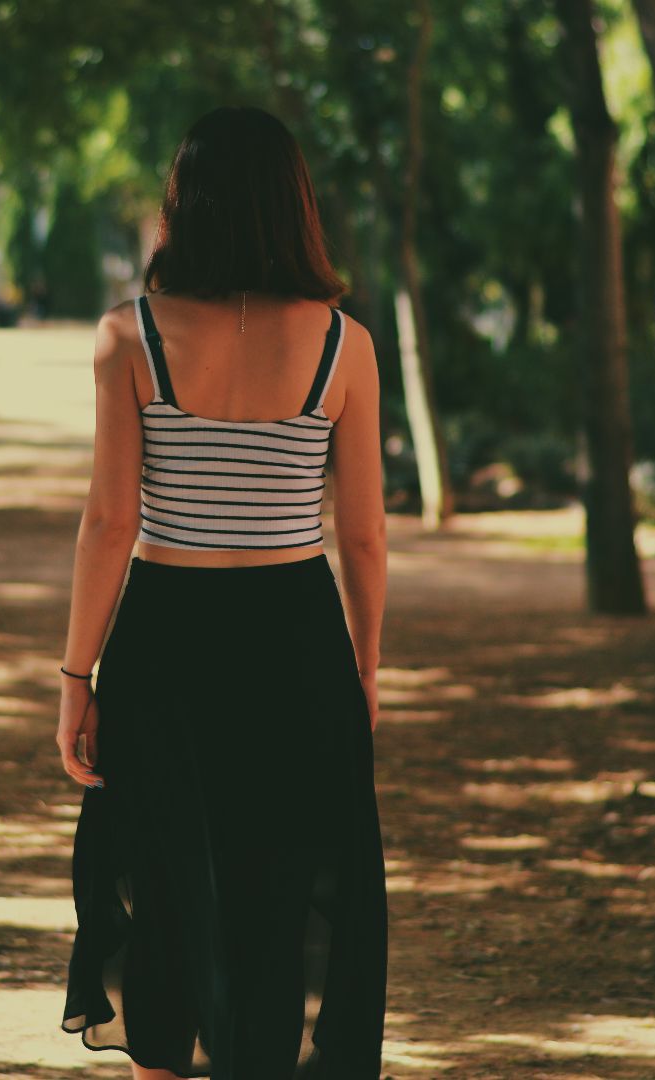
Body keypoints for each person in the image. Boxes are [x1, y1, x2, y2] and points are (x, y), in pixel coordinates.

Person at [54, 104, 390, 1079]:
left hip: (166, 639)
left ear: (182, 208)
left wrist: (77, 673)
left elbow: (110, 524)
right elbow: (362, 536)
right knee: (278, 892)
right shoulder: (345, 346)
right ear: (296, 210)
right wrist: (362, 668)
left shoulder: (131, 339)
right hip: (298, 637)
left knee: (162, 880)